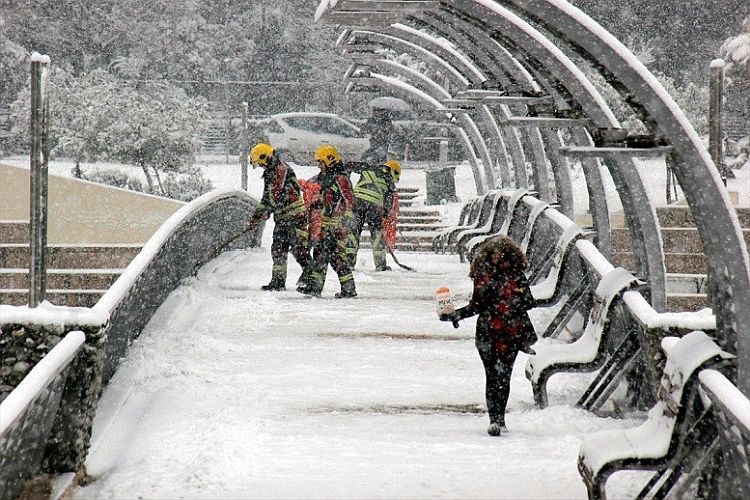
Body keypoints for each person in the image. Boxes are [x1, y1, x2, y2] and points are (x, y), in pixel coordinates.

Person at [439, 235, 537, 436]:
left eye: (499, 254)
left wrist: (508, 301)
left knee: (504, 375)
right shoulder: (483, 275)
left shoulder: (515, 274)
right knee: (493, 375)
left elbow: (528, 301)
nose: (496, 258)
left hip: (510, 333)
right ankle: (495, 419)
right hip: (489, 332)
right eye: (492, 254)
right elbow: (477, 306)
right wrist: (455, 315)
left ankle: (500, 418)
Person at [246, 143, 312, 292]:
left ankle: (312, 277)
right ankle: (278, 281)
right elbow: (266, 198)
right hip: (283, 217)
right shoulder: (271, 172)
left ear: (266, 157)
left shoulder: (281, 170)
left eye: (261, 163)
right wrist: (257, 215)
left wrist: (264, 212)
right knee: (278, 249)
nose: (261, 167)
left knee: (298, 248)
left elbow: (274, 195)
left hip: (294, 216)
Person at [298, 144, 357, 299]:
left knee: (331, 256)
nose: (319, 165)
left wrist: (343, 220)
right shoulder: (323, 178)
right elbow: (313, 188)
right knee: (324, 255)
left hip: (337, 225)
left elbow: (349, 201)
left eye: (321, 162)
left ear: (329, 161)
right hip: (325, 224)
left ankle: (328, 289)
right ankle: (342, 289)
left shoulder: (340, 179)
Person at [350, 160, 396, 271]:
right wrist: (385, 212)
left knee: (353, 233)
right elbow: (389, 200)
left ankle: (348, 263)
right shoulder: (389, 179)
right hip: (374, 207)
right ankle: (380, 265)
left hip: (358, 203)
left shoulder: (368, 168)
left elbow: (352, 166)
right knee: (377, 235)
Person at [381, 160, 401, 255]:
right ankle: (387, 250)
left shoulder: (383, 181)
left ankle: (387, 250)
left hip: (388, 217)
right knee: (388, 233)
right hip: (387, 217)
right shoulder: (389, 186)